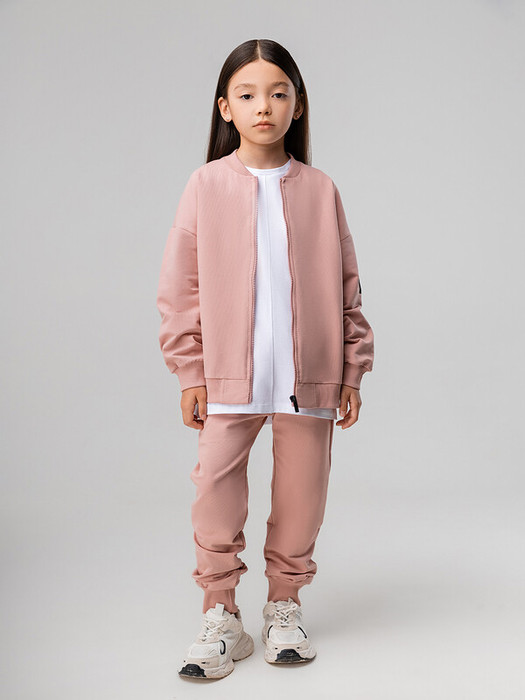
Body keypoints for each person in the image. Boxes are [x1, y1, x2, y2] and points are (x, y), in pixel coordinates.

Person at [156, 38, 374, 680]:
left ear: (297, 105)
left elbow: (347, 286)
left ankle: (285, 606)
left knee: (302, 494)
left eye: (278, 94)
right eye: (248, 94)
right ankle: (221, 613)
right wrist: (190, 371)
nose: (264, 107)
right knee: (215, 490)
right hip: (227, 376)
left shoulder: (320, 189)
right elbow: (180, 287)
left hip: (310, 377)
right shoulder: (205, 186)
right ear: (225, 107)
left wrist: (350, 368)